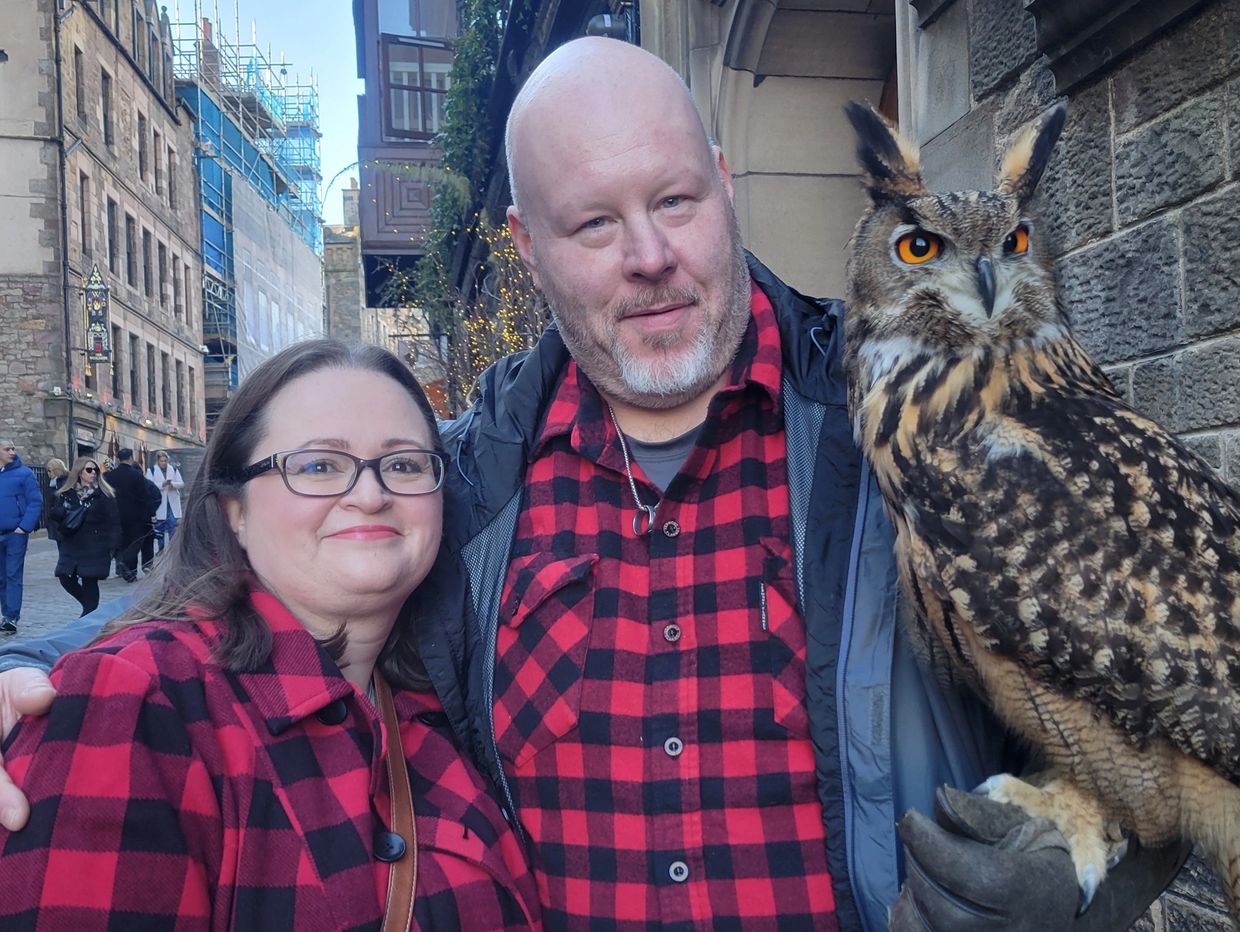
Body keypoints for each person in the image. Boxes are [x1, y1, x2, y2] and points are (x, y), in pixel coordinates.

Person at [0, 38, 1185, 930]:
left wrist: (1079, 866)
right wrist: (27, 680)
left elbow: (1167, 698)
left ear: (724, 183)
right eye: (592, 222)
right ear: (525, 245)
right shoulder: (462, 484)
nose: (650, 255)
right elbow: (225, 601)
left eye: (673, 200)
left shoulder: (912, 437)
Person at [0, 341, 539, 929]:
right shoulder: (136, 707)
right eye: (317, 465)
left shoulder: (439, 700)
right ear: (234, 510)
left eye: (405, 464)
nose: (370, 494)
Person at [49, 456, 120, 617]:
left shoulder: (104, 494)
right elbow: (54, 514)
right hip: (72, 542)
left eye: (95, 470)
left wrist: (114, 545)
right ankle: (91, 610)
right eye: (89, 470)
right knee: (64, 576)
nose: (93, 473)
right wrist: (60, 512)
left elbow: (114, 520)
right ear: (79, 472)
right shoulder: (66, 493)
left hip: (95, 544)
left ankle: (88, 615)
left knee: (90, 580)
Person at [0, 440, 41, 634]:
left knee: (13, 574)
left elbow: (35, 502)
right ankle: (6, 613)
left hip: (15, 534)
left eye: (13, 448)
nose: (12, 452)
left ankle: (11, 617)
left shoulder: (25, 473)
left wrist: (23, 527)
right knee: (1, 577)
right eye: (7, 449)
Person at [105, 447, 160, 581]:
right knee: (135, 542)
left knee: (124, 542)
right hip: (135, 515)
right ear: (131, 458)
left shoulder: (109, 476)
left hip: (115, 514)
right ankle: (128, 566)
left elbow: (105, 495)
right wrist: (151, 514)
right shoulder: (136, 475)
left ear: (118, 459)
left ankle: (130, 573)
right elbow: (144, 496)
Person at [145, 449, 184, 552]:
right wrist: (162, 484)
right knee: (159, 527)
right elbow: (149, 485)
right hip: (159, 502)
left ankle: (172, 549)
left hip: (171, 502)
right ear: (158, 461)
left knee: (172, 526)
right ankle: (161, 548)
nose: (164, 463)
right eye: (162, 461)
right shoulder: (152, 470)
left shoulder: (173, 469)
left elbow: (181, 483)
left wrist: (173, 485)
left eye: (165, 461)